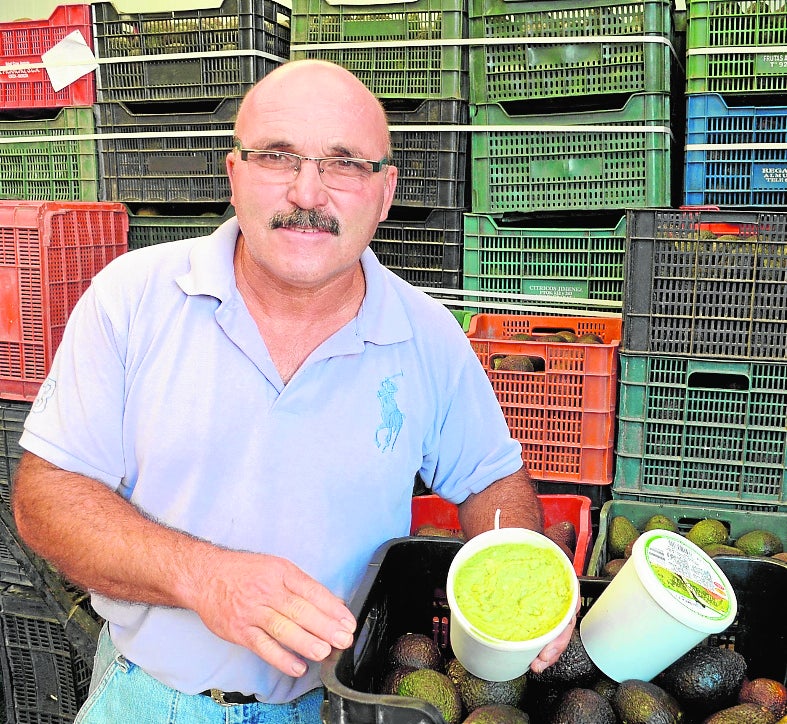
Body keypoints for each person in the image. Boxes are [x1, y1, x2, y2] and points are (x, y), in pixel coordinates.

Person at [12, 59, 575, 723]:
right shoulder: (133, 299)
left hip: (336, 705)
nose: (308, 192)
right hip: (148, 696)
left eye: (343, 164)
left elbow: (491, 483)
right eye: (277, 157)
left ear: (385, 190)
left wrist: (522, 578)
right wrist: (205, 576)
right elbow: (46, 499)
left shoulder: (426, 336)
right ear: (234, 174)